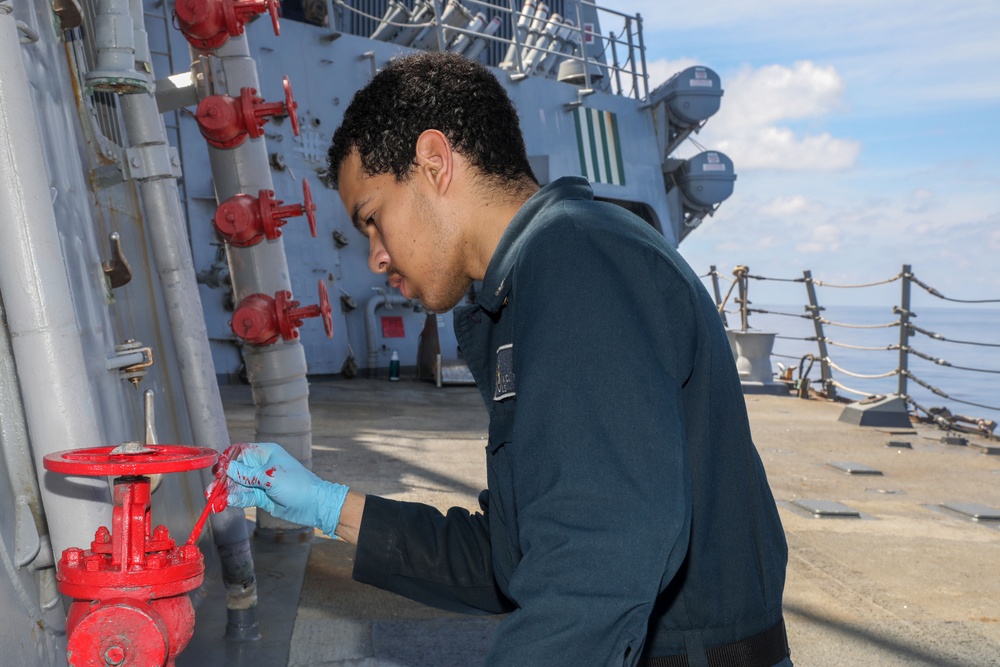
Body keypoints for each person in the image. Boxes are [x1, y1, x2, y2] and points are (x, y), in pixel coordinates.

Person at [225, 51, 791, 666]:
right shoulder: (545, 274)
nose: (377, 257)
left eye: (373, 219)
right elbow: (511, 559)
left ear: (434, 164)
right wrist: (325, 506)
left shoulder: (576, 262)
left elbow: (596, 563)